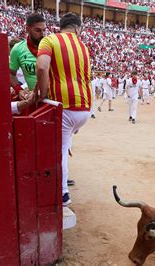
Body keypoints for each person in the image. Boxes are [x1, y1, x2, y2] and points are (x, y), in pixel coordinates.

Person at [36, 12, 92, 206]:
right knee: (65, 143)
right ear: (77, 28)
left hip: (64, 105)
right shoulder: (84, 47)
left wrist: (41, 95)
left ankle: (63, 194)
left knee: (58, 150)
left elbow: (42, 68)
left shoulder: (49, 40)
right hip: (85, 107)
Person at [9, 13, 46, 100]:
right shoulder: (18, 49)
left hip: (53, 99)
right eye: (38, 30)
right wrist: (19, 90)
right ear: (27, 29)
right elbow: (11, 74)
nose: (42, 34)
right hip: (33, 99)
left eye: (44, 30)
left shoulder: (52, 46)